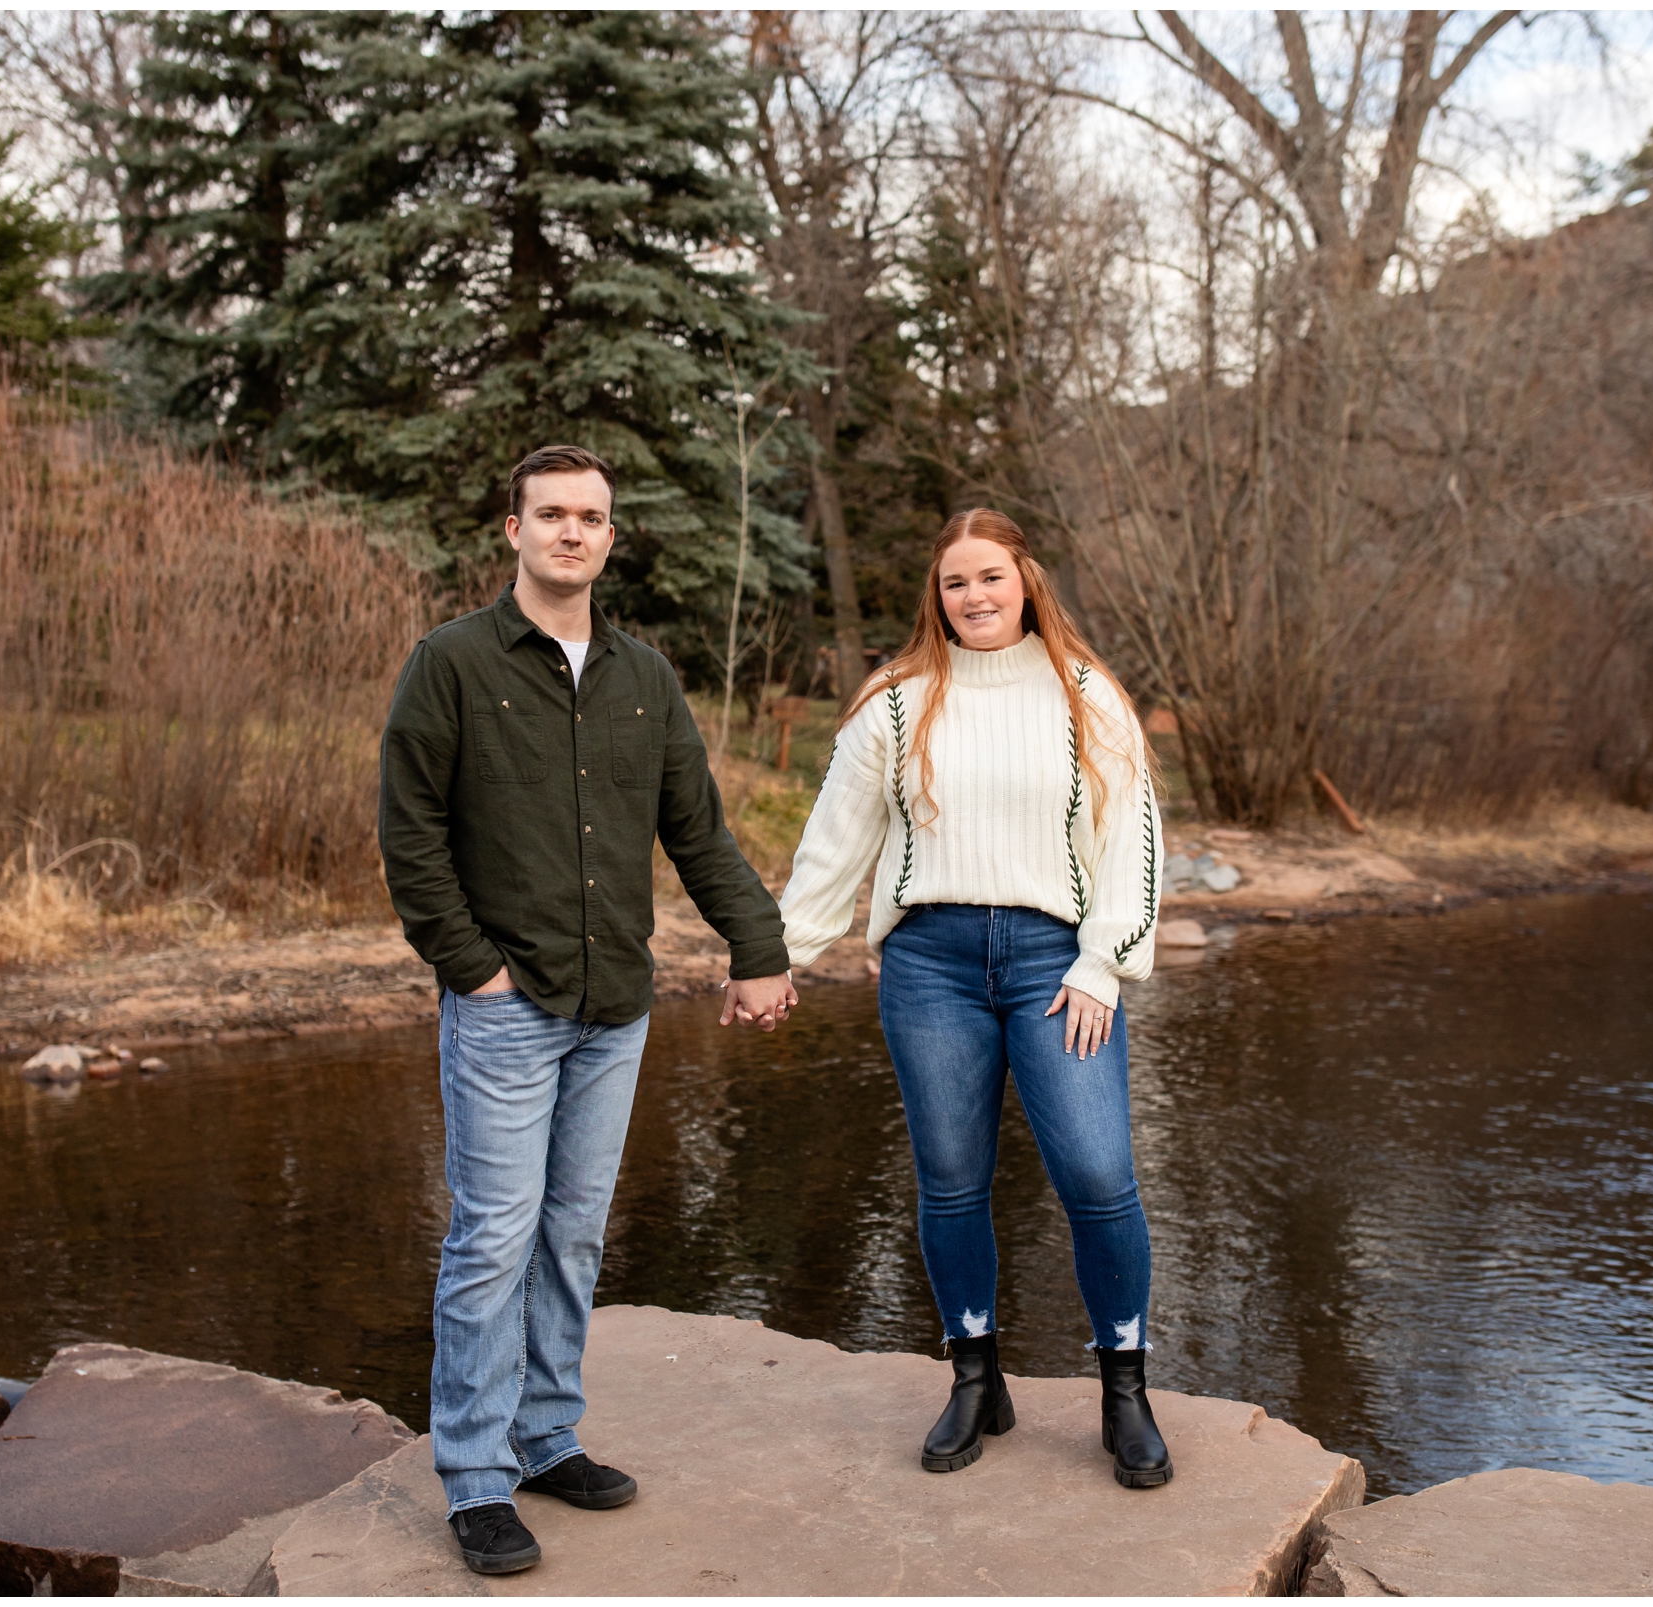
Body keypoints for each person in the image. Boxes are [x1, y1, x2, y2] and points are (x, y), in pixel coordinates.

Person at [378, 444, 800, 1575]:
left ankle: (546, 1433)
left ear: (612, 538)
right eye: (552, 513)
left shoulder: (645, 678)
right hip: (506, 1007)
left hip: (616, 1003)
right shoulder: (453, 663)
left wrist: (758, 947)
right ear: (511, 530)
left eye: (593, 516)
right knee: (491, 1239)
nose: (573, 531)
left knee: (572, 1232)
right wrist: (471, 966)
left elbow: (698, 832)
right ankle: (474, 1478)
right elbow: (409, 837)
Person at [776, 508, 1171, 1488]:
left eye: (991, 576)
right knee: (950, 1176)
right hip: (931, 964)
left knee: (1096, 1170)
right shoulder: (898, 703)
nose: (975, 595)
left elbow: (1135, 840)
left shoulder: (1087, 695)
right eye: (956, 582)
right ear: (936, 594)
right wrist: (774, 950)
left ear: (1026, 578)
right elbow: (836, 839)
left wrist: (1103, 961)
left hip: (1055, 964)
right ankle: (974, 1377)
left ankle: (1125, 1390)